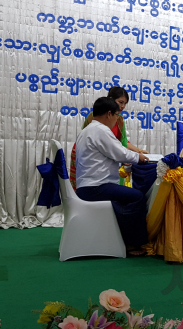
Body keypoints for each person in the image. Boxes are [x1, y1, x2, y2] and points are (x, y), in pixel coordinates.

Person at [75, 97, 149, 255]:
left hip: (88, 185)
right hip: (96, 187)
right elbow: (120, 152)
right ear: (109, 114)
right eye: (116, 115)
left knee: (127, 194)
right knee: (137, 196)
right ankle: (131, 244)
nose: (117, 120)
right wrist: (139, 157)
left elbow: (110, 154)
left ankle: (121, 237)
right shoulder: (100, 130)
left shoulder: (88, 130)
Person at [70, 86, 148, 190]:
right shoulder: (96, 119)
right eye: (120, 102)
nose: (123, 106)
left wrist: (139, 151)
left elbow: (122, 142)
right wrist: (136, 156)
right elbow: (100, 143)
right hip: (94, 159)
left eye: (125, 103)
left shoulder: (119, 119)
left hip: (112, 156)